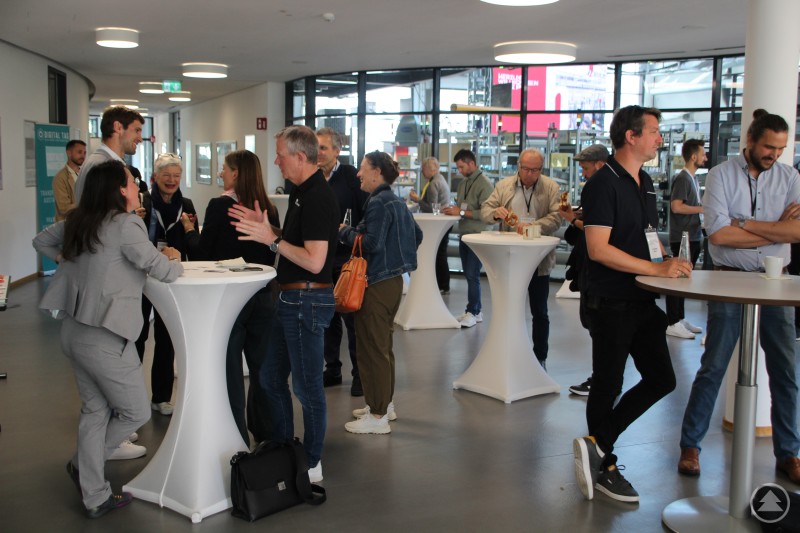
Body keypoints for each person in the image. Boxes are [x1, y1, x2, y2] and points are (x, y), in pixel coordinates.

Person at [32, 160, 182, 518]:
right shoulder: (126, 224)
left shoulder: (80, 221)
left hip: (74, 332)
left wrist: (67, 262)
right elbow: (162, 270)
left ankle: (95, 495)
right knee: (135, 411)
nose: (136, 187)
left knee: (95, 410)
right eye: (131, 181)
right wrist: (174, 257)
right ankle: (84, 466)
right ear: (119, 189)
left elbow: (40, 240)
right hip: (106, 337)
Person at [573, 105, 689, 504]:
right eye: (654, 131)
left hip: (641, 298)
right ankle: (602, 465)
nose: (660, 138)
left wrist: (665, 262)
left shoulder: (647, 181)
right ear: (631, 136)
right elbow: (598, 248)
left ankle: (597, 444)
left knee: (662, 379)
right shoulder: (602, 184)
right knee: (608, 384)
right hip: (610, 301)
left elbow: (646, 235)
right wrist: (655, 270)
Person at [677, 109, 800, 483]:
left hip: (775, 282)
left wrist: (743, 223)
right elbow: (718, 234)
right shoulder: (720, 175)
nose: (774, 154)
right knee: (714, 364)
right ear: (750, 140)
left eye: (780, 148)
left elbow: (796, 233)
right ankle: (690, 445)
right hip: (728, 279)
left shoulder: (790, 177)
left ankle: (789, 453)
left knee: (785, 370)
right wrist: (776, 229)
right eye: (768, 147)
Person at [230, 125, 339, 483]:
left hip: (306, 300)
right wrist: (271, 232)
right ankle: (283, 447)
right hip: (290, 298)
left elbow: (315, 261)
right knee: (269, 376)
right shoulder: (301, 193)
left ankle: (312, 460)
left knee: (306, 388)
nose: (275, 162)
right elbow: (299, 245)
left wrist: (272, 241)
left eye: (280, 155)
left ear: (300, 156)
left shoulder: (318, 197)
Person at [182, 150, 279, 447]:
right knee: (262, 371)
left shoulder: (219, 206)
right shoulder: (269, 209)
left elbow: (203, 253)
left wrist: (189, 231)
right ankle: (266, 435)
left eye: (223, 168)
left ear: (235, 173)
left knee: (231, 374)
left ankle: (236, 439)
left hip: (229, 301)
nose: (220, 173)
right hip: (263, 295)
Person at [341, 151, 422, 434]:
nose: (358, 174)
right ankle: (383, 405)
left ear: (377, 172)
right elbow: (417, 235)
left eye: (363, 169)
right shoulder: (395, 201)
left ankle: (377, 417)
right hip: (392, 282)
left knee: (371, 348)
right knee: (382, 346)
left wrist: (344, 232)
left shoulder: (377, 202)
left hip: (375, 283)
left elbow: (371, 244)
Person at [481, 148, 562, 370]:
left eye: (535, 170)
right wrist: (496, 213)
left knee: (540, 311)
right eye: (525, 169)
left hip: (538, 260)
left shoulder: (551, 187)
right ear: (518, 166)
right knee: (507, 309)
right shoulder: (504, 186)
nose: (529, 174)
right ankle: (507, 354)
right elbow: (486, 210)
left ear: (541, 169)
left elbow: (557, 218)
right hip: (509, 258)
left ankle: (540, 358)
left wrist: (532, 226)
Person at [135, 153, 198, 417]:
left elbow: (195, 246)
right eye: (166, 175)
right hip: (142, 277)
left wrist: (188, 229)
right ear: (155, 177)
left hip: (172, 278)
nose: (171, 180)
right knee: (137, 336)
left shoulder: (187, 205)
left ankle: (161, 398)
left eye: (176, 176)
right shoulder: (142, 202)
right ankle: (131, 399)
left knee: (166, 338)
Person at [316, 128, 369, 396]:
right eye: (316, 147)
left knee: (352, 320)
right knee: (328, 318)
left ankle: (359, 375)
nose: (318, 153)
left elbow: (366, 210)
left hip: (348, 259)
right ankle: (332, 369)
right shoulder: (312, 177)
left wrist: (353, 234)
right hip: (321, 259)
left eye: (323, 148)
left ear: (337, 151)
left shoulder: (350, 176)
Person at [561, 144, 609, 396]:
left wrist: (572, 219)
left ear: (600, 164)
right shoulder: (610, 186)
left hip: (595, 270)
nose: (584, 172)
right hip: (593, 268)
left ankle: (601, 380)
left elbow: (593, 228)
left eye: (586, 167)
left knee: (596, 324)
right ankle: (604, 378)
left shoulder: (600, 188)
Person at [442, 149, 493, 328]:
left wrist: (461, 212)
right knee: (469, 274)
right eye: (458, 167)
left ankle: (473, 311)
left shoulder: (485, 184)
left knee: (472, 274)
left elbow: (487, 214)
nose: (460, 171)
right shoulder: (463, 183)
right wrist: (453, 210)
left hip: (478, 236)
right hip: (465, 234)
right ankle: (474, 310)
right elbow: (461, 206)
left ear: (471, 163)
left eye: (462, 167)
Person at [665, 138, 706, 339]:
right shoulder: (682, 178)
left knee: (685, 278)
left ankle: (679, 318)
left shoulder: (693, 179)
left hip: (693, 235)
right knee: (677, 278)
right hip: (683, 236)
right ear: (694, 156)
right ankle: (672, 321)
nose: (705, 157)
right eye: (703, 154)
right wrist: (701, 209)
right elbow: (676, 206)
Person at [75, 106, 143, 201]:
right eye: (137, 130)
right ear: (118, 127)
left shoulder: (99, 161)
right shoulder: (103, 166)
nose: (140, 139)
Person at [410, 157, 451, 294]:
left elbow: (432, 208)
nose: (422, 172)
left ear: (429, 169)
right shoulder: (440, 179)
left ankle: (442, 284)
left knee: (439, 254)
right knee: (440, 253)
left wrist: (417, 200)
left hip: (438, 223)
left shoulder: (434, 183)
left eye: (423, 169)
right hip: (444, 222)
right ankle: (442, 284)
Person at [53, 140, 86, 222]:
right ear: (69, 153)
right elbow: (64, 208)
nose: (83, 156)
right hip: (69, 224)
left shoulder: (86, 173)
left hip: (85, 222)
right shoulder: (60, 178)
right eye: (79, 152)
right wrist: (86, 202)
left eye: (84, 153)